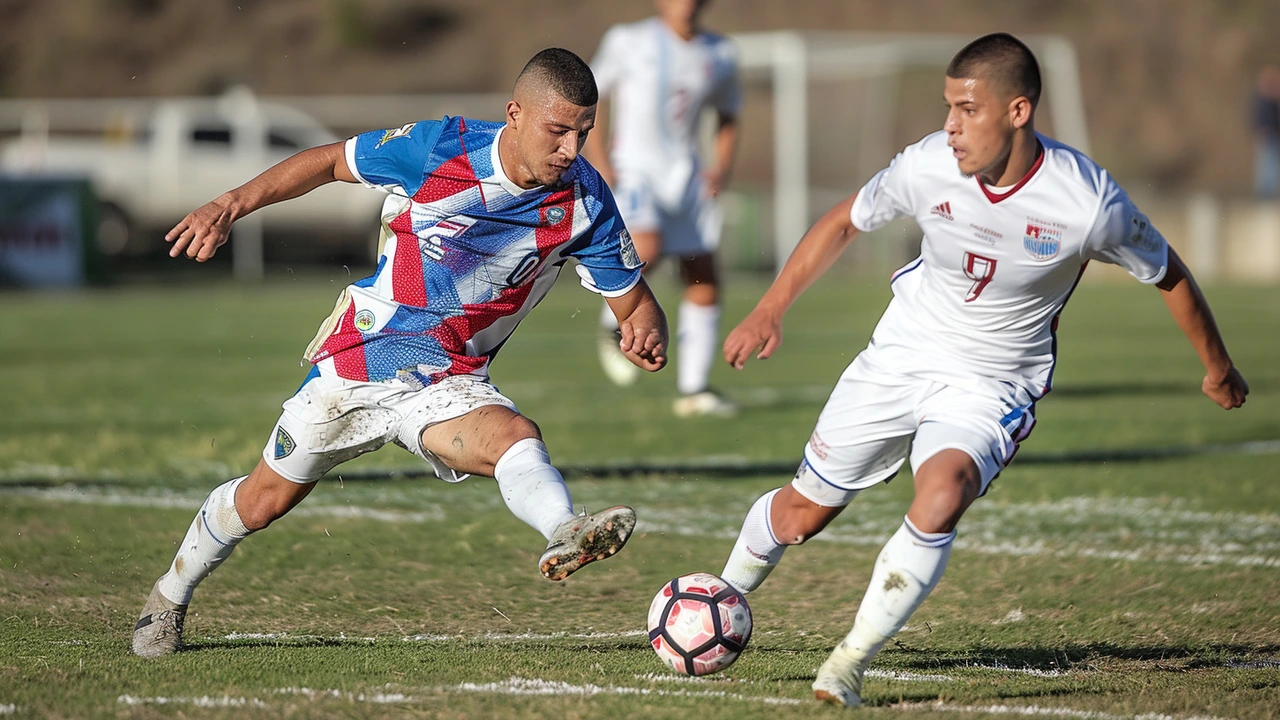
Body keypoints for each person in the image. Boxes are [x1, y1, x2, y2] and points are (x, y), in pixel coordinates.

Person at [715, 33, 1249, 707]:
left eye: (968, 110)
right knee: (799, 518)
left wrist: (1218, 368)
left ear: (1018, 111)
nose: (950, 126)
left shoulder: (1087, 202)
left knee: (942, 493)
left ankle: (848, 662)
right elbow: (846, 222)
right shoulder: (926, 165)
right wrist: (769, 309)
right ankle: (721, 596)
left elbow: (1168, 273)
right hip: (901, 354)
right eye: (947, 107)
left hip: (993, 383)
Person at [131, 48, 669, 658]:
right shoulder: (441, 148)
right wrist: (231, 204)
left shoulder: (586, 200)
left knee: (516, 435)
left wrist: (649, 330)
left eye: (584, 133)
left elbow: (635, 302)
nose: (572, 150)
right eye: (559, 131)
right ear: (515, 114)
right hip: (362, 357)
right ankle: (169, 597)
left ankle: (565, 530)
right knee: (263, 501)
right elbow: (331, 161)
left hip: (450, 379)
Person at [585, 0, 741, 417]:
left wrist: (720, 167)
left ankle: (694, 390)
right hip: (635, 170)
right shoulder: (628, 39)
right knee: (646, 247)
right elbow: (592, 97)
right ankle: (614, 320)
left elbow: (728, 116)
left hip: (687, 177)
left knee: (702, 273)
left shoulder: (720, 52)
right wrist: (601, 161)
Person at [1252, 65, 1280, 199]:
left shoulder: (1271, 100)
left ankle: (1268, 193)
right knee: (1267, 164)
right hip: (1267, 136)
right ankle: (1265, 194)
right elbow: (1257, 118)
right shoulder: (1262, 100)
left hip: (1273, 135)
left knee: (1271, 164)